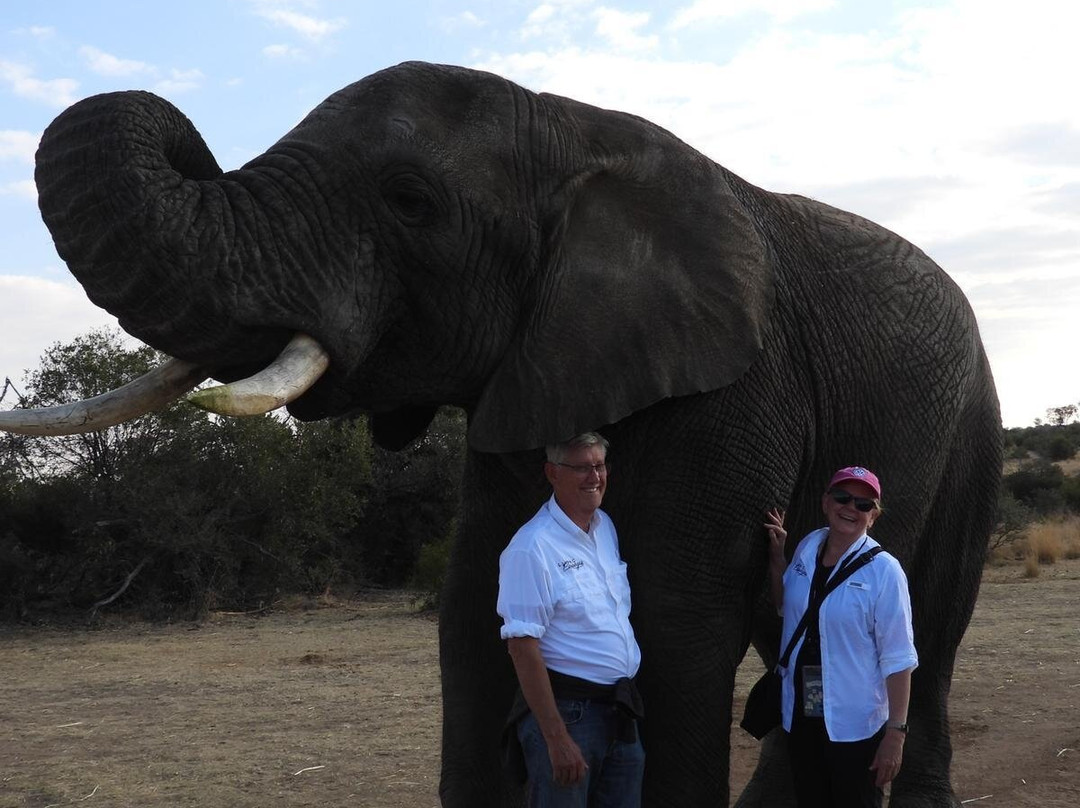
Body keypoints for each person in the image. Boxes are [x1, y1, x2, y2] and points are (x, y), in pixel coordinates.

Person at [497, 432, 644, 807]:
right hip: (570, 716)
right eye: (581, 468)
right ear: (551, 473)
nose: (594, 476)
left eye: (599, 465)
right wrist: (557, 738)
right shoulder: (532, 548)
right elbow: (522, 647)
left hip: (619, 713)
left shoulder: (605, 528)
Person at [764, 466, 918, 808]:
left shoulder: (885, 571)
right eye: (842, 497)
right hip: (803, 713)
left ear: (873, 516)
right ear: (825, 502)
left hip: (856, 725)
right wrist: (778, 558)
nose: (851, 508)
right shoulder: (807, 548)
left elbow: (898, 658)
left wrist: (896, 732)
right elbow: (783, 605)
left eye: (864, 504)